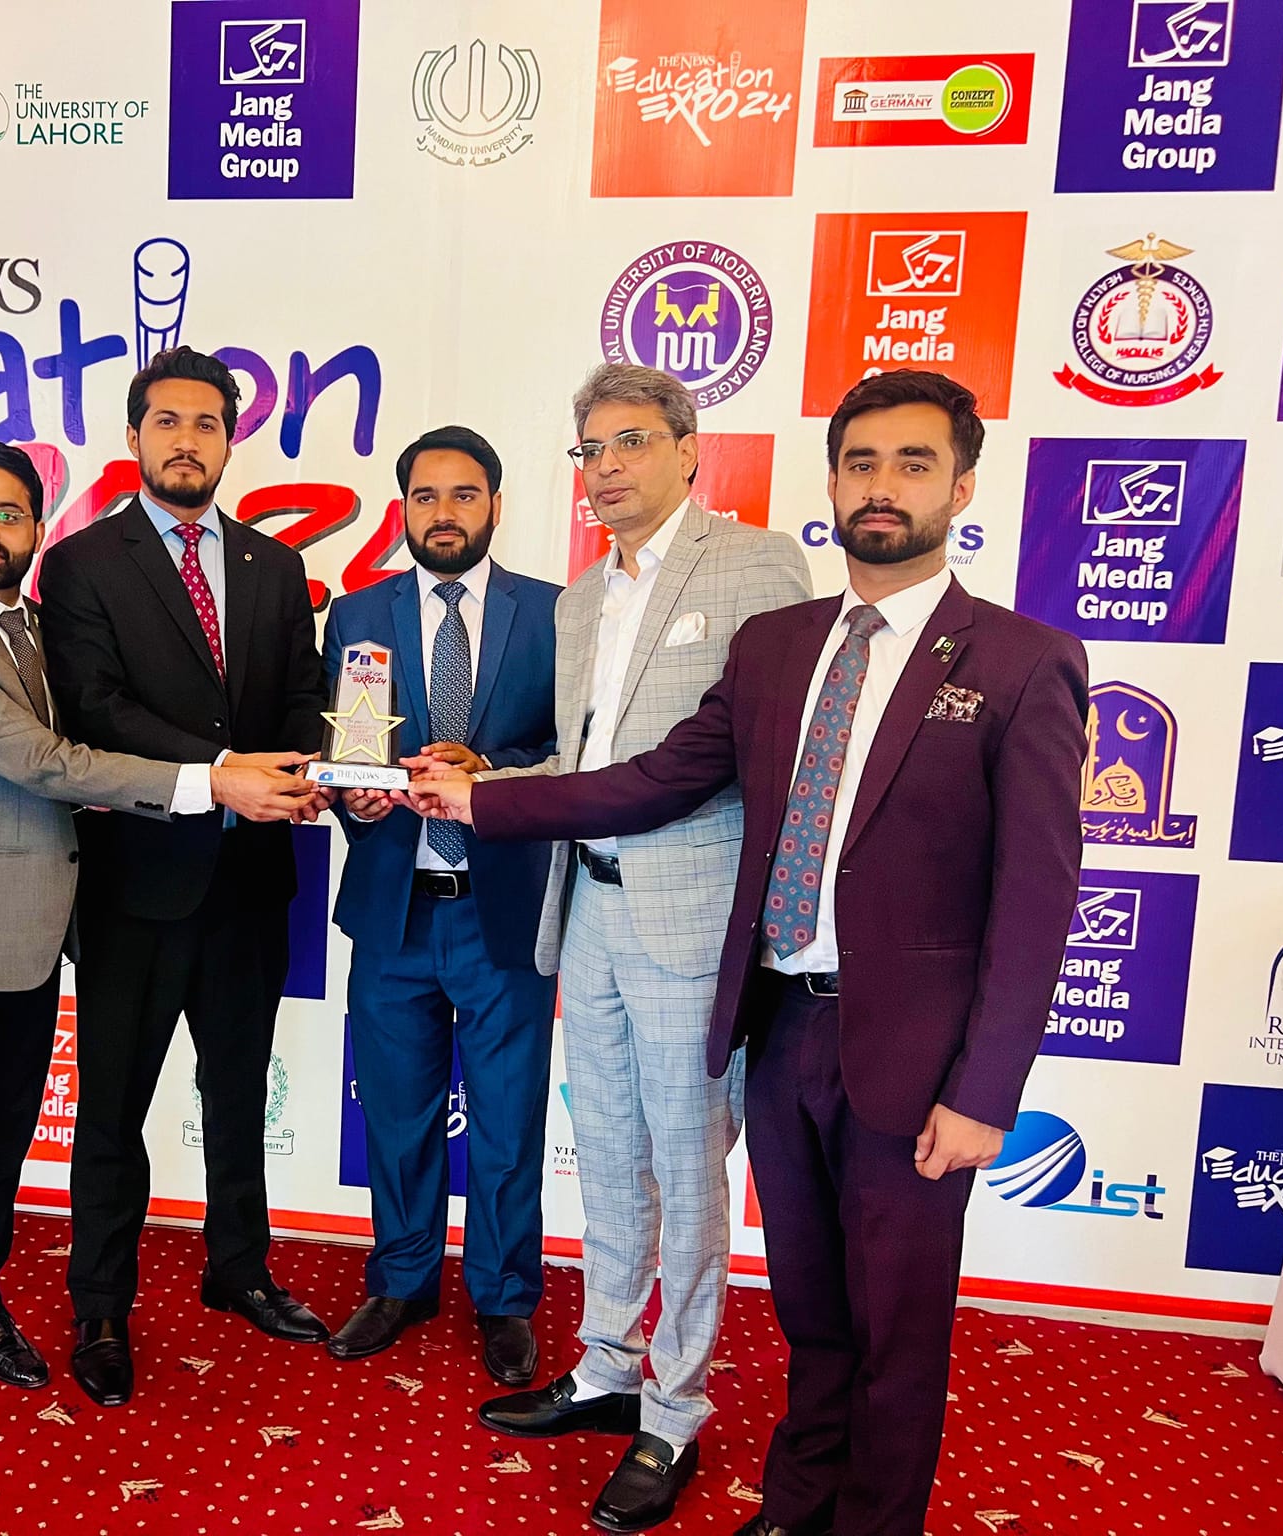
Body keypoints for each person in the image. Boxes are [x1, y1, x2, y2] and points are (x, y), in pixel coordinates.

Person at [407, 370, 1089, 1536]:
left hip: (895, 1033)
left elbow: (1035, 901)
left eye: (912, 463)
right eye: (860, 463)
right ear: (832, 481)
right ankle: (789, 1496)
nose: (880, 486)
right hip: (770, 1010)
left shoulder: (1018, 660)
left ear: (962, 486)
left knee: (892, 1318)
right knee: (811, 1302)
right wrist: (481, 799)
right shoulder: (779, 645)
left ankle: (843, 1505)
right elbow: (654, 772)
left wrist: (985, 1093)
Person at [0, 436, 317, 1435]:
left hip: (35, 935)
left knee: (0, 1144)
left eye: (9, 514)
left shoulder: (31, 629)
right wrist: (213, 780)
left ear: (35, 528)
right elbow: (47, 762)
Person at [463, 364, 809, 1533]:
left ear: (685, 447)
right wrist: (482, 779)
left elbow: (734, 761)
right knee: (607, 1153)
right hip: (590, 909)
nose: (605, 468)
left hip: (691, 916)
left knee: (688, 1167)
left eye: (628, 443)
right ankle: (606, 1366)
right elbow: (580, 767)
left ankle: (673, 1408)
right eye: (588, 450)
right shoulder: (577, 602)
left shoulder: (756, 566)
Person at [35, 346, 331, 1408]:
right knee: (112, 1107)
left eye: (207, 423)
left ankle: (238, 1269)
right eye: (166, 421)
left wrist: (307, 765)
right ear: (133, 437)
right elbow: (96, 708)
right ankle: (100, 1305)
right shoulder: (80, 564)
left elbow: (301, 697)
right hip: (137, 884)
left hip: (251, 879)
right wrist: (222, 774)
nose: (186, 440)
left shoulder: (274, 566)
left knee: (237, 1092)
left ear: (229, 440)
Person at [319, 426, 561, 1385]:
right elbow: (349, 746)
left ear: (496, 505)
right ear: (404, 510)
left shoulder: (555, 613)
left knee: (507, 1119)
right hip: (394, 906)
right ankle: (403, 1279)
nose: (445, 513)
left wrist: (489, 774)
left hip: (504, 908)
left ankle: (504, 1296)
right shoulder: (358, 614)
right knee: (396, 1112)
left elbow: (576, 753)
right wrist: (356, 794)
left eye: (465, 495)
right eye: (426, 497)